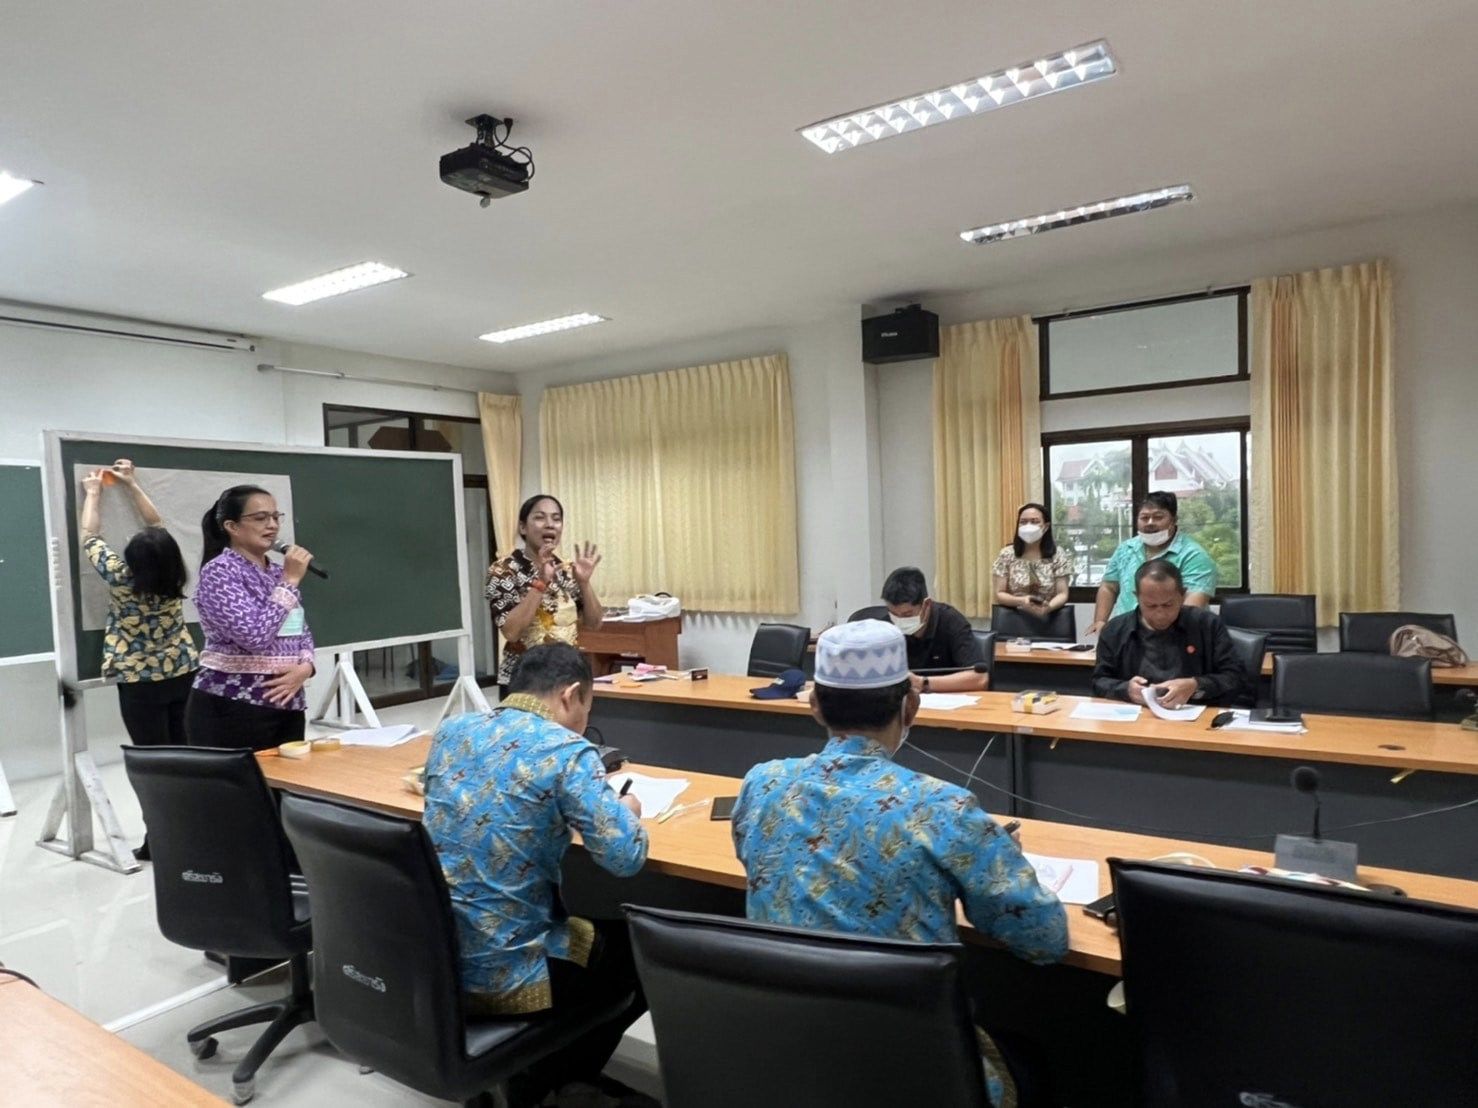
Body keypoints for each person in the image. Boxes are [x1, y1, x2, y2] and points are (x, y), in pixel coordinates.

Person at [732, 620, 1068, 1107]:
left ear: (814, 704)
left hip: (793, 1049)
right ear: (911, 704)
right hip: (916, 1067)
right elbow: (1045, 940)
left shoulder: (761, 785)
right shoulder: (944, 809)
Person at [423, 643, 648, 1108]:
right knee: (640, 953)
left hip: (435, 957)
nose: (586, 717)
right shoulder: (568, 750)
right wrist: (626, 811)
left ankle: (544, 1074)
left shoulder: (453, 731)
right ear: (570, 695)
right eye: (588, 705)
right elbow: (624, 858)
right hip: (509, 969)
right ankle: (552, 1082)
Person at [79, 459, 199, 862]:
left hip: (139, 682)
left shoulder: (120, 576)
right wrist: (131, 485)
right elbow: (157, 524)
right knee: (185, 756)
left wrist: (94, 493)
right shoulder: (174, 578)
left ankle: (160, 840)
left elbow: (89, 533)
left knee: (153, 762)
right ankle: (195, 830)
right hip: (182, 672)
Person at [185, 485, 317, 751]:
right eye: (260, 518)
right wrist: (290, 581)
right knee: (243, 791)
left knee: (284, 791)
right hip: (234, 705)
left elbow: (300, 630)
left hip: (286, 702)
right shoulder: (220, 573)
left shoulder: (276, 573)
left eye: (275, 517)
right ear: (232, 527)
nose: (272, 526)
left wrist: (306, 667)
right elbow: (254, 636)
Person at [1091, 560, 1245, 707]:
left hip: (1195, 713)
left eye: (1168, 605)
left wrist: (1196, 685)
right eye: (1151, 606)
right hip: (1138, 714)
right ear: (1137, 597)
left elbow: (1234, 677)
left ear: (1182, 595)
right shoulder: (1115, 630)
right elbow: (1099, 681)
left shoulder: (1207, 625)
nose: (1160, 614)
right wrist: (1126, 690)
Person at [487, 494, 604, 686]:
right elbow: (512, 632)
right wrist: (540, 583)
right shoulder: (504, 570)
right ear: (523, 527)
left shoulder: (566, 569)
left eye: (556, 519)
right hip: (525, 680)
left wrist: (584, 583)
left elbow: (594, 623)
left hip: (569, 675)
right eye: (540, 517)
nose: (550, 524)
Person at [1086, 491, 1217, 636]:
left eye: (1158, 517)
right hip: (1125, 636)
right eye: (1144, 517)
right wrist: (1101, 621)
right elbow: (1109, 587)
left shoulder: (1194, 555)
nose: (1150, 523)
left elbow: (1192, 606)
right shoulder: (1126, 549)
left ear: (1174, 520)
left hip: (1177, 639)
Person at [878, 566, 987, 692]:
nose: (899, 620)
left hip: (948, 703)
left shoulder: (950, 621)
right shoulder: (885, 627)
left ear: (927, 604)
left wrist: (923, 683)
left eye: (907, 615)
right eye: (893, 614)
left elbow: (980, 678)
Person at [992, 502, 1074, 620]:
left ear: (1045, 527)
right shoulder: (1007, 554)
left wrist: (1047, 608)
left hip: (1050, 619)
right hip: (1013, 619)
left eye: (1035, 521)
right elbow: (999, 594)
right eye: (1023, 522)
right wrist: (1021, 601)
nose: (1028, 526)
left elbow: (1063, 594)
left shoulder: (1058, 555)